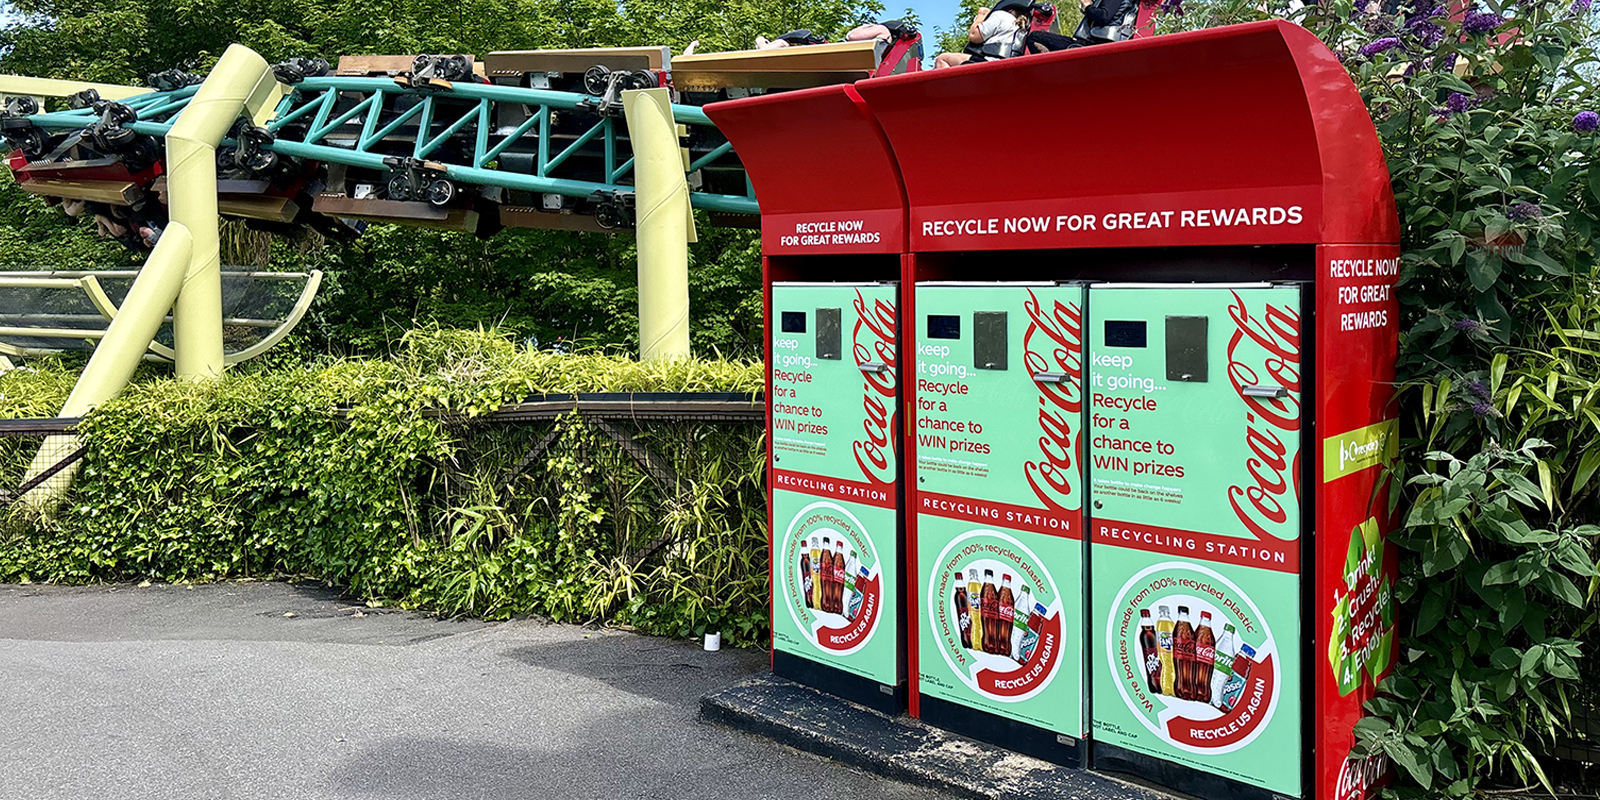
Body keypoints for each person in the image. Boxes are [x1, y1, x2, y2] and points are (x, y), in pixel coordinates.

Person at [935, 0, 1032, 68]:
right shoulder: (1023, 26)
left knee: (942, 59)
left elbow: (974, 36)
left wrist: (981, 15)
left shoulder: (1002, 15)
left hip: (988, 63)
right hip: (1006, 65)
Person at [1022, 0, 1137, 53]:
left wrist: (1088, 7)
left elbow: (1103, 16)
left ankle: (1051, 72)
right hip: (1091, 44)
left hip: (1091, 46)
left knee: (1035, 37)